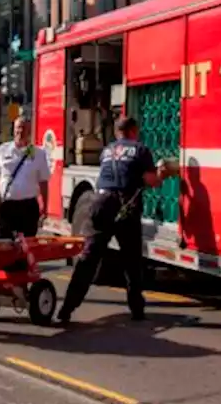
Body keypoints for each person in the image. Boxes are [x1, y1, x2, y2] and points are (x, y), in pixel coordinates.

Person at [56, 116, 176, 325]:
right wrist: (164, 174)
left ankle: (66, 308)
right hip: (124, 207)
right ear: (132, 131)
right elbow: (151, 181)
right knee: (131, 262)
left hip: (100, 204)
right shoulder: (140, 149)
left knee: (88, 260)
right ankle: (137, 309)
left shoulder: (107, 150)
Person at [0, 116, 50, 239]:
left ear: (29, 131)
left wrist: (44, 206)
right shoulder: (3, 150)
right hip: (6, 206)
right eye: (18, 128)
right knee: (1, 243)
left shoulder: (38, 154)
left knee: (27, 245)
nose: (20, 131)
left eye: (24, 128)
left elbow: (43, 182)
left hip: (28, 207)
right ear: (14, 130)